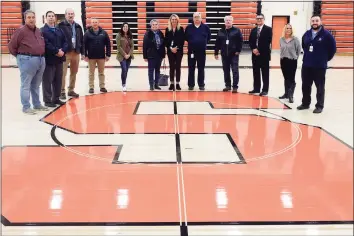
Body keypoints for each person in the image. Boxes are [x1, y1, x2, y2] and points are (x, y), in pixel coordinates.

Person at [8, 10, 48, 114]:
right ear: (25, 19)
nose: (31, 19)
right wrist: (21, 57)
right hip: (27, 60)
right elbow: (12, 46)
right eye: (29, 17)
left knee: (36, 85)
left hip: (40, 59)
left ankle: (37, 104)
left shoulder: (38, 31)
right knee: (26, 84)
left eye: (33, 17)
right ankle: (26, 107)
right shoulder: (21, 30)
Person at [297, 15, 336, 113]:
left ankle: (319, 106)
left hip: (319, 66)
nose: (315, 22)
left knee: (320, 87)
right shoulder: (306, 34)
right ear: (310, 22)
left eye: (317, 21)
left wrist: (324, 59)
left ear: (320, 22)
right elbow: (304, 46)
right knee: (305, 86)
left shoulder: (327, 35)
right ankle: (305, 103)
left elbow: (333, 49)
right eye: (313, 21)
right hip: (306, 65)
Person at [41, 11, 68, 107]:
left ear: (55, 18)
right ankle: (47, 100)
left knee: (58, 80)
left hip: (59, 59)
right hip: (49, 59)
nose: (51, 18)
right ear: (45, 18)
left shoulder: (59, 29)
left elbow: (65, 42)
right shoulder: (42, 31)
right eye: (49, 16)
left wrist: (63, 51)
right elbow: (46, 44)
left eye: (52, 16)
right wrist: (57, 51)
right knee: (47, 80)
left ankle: (56, 98)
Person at [58, 8, 84, 99]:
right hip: (65, 53)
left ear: (74, 15)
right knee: (63, 73)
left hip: (76, 52)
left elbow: (81, 40)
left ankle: (71, 90)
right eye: (68, 14)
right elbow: (58, 39)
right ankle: (61, 91)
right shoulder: (60, 25)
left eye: (72, 14)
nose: (70, 15)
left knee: (74, 72)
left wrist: (82, 52)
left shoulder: (77, 26)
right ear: (65, 15)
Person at [214, 15, 243, 93]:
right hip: (224, 54)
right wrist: (216, 52)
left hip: (234, 54)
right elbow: (217, 43)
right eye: (226, 20)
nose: (228, 21)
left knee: (235, 70)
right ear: (224, 22)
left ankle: (235, 87)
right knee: (226, 70)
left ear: (232, 21)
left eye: (229, 20)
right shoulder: (221, 31)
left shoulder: (237, 30)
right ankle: (227, 85)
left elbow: (240, 41)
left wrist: (238, 50)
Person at [83, 18, 111, 94]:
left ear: (98, 23)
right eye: (93, 22)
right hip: (91, 57)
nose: (94, 23)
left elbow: (108, 44)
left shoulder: (104, 33)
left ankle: (102, 87)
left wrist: (108, 54)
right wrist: (85, 55)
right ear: (91, 24)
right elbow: (84, 45)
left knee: (101, 73)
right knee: (91, 73)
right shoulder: (87, 33)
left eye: (96, 22)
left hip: (101, 56)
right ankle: (91, 87)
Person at [185, 12, 211, 91]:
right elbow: (186, 38)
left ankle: (201, 84)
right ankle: (191, 85)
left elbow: (209, 37)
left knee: (201, 68)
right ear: (193, 18)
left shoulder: (206, 27)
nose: (196, 19)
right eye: (195, 17)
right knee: (191, 68)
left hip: (201, 52)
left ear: (201, 18)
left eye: (198, 17)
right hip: (191, 52)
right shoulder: (188, 27)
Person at [249, 14, 272, 96]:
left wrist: (258, 50)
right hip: (254, 54)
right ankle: (256, 88)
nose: (259, 20)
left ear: (264, 19)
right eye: (257, 18)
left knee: (265, 73)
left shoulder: (268, 29)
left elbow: (268, 41)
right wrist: (253, 49)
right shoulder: (254, 30)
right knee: (256, 72)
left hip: (264, 55)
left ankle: (265, 90)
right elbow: (250, 41)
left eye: (260, 18)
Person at [279, 23, 301, 103]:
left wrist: (295, 58)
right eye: (287, 28)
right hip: (283, 60)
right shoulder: (281, 39)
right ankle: (286, 93)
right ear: (285, 29)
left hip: (292, 61)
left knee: (291, 78)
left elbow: (298, 50)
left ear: (292, 30)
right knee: (286, 78)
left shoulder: (295, 39)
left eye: (290, 28)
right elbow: (281, 49)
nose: (288, 30)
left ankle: (291, 95)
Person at [143, 19, 165, 91]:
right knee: (151, 71)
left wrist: (163, 55)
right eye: (153, 24)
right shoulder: (147, 34)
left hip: (159, 55)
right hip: (151, 55)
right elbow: (144, 45)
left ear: (158, 25)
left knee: (158, 70)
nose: (155, 26)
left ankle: (156, 84)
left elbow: (163, 44)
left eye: (156, 24)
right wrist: (145, 56)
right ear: (151, 25)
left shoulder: (160, 33)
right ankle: (151, 85)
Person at [165, 14, 185, 91]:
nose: (174, 21)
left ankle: (177, 83)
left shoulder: (181, 29)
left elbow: (182, 41)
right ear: (170, 20)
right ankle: (172, 83)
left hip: (179, 51)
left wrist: (176, 48)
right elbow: (166, 40)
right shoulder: (167, 29)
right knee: (172, 67)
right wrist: (170, 48)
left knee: (178, 67)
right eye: (172, 19)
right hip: (170, 51)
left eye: (175, 19)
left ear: (177, 20)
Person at [116, 22, 134, 92]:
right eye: (124, 27)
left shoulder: (130, 35)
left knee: (126, 70)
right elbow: (118, 46)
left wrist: (129, 54)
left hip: (129, 56)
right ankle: (123, 84)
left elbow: (132, 46)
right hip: (121, 56)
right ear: (122, 27)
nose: (125, 28)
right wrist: (125, 55)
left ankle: (124, 83)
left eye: (127, 27)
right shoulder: (119, 35)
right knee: (124, 69)